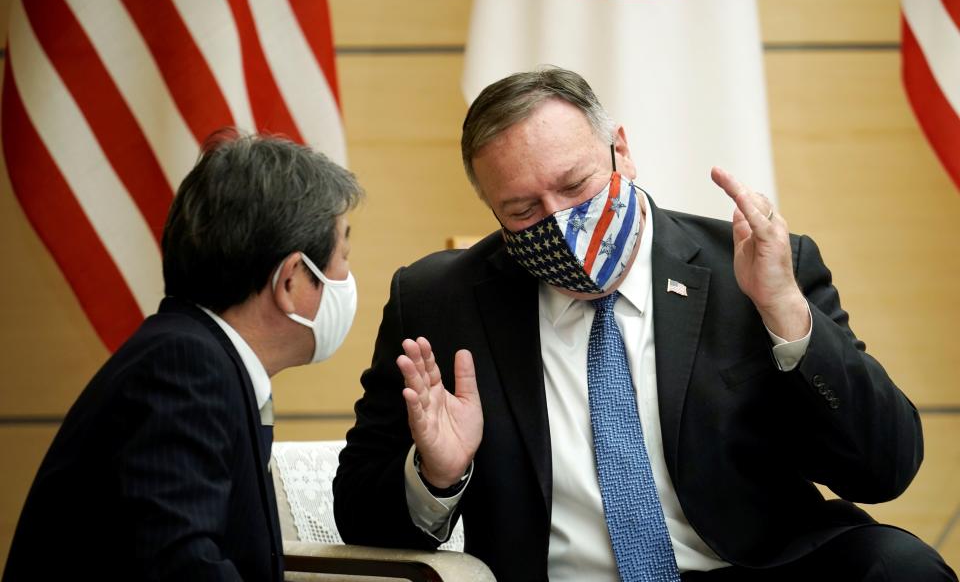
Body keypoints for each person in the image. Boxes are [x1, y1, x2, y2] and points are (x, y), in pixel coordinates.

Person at [334, 68, 956, 581]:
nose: (561, 224)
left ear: (622, 151)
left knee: (903, 570)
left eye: (577, 186)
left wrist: (787, 316)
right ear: (493, 212)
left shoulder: (755, 269)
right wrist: (437, 474)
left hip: (753, 568)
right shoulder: (439, 300)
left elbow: (885, 468)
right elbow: (360, 514)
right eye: (524, 210)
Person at [4, 131, 362, 581]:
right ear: (291, 280)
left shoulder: (199, 357)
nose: (349, 278)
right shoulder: (185, 369)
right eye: (343, 255)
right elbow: (182, 568)